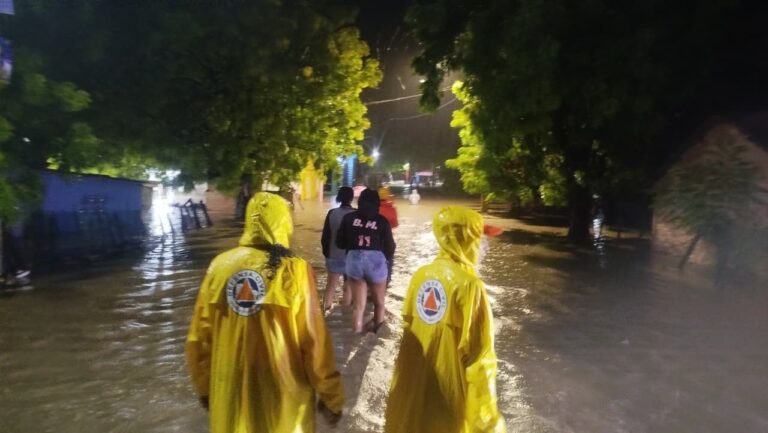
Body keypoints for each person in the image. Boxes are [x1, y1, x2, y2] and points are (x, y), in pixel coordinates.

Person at [186, 192, 343, 433]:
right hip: (282, 397)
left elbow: (199, 339)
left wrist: (205, 388)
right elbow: (314, 341)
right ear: (284, 223)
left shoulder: (219, 266)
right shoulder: (295, 271)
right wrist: (331, 395)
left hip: (230, 393)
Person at [385, 206, 506, 433]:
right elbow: (481, 362)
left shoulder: (420, 276)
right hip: (448, 405)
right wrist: (489, 425)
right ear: (465, 240)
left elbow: (408, 341)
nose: (484, 247)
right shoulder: (470, 286)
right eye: (479, 239)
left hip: (413, 400)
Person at [336, 188, 395, 334]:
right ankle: (377, 337)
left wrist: (353, 244)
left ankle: (355, 336)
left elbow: (339, 243)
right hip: (376, 262)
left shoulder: (349, 218)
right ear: (377, 204)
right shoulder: (382, 221)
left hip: (354, 261)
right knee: (379, 304)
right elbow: (390, 247)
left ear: (359, 202)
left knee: (358, 306)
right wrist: (384, 260)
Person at [321, 186, 355, 312]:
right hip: (351, 257)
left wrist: (327, 254)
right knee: (348, 287)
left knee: (330, 286)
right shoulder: (356, 214)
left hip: (333, 255)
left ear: (339, 197)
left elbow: (325, 236)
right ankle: (345, 314)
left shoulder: (332, 213)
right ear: (351, 198)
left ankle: (325, 311)